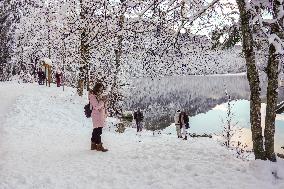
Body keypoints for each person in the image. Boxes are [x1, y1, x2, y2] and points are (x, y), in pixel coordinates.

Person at [89, 82, 108, 152]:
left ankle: (93, 144)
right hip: (96, 116)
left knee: (96, 130)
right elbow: (96, 106)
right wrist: (103, 101)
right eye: (100, 88)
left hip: (100, 116)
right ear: (97, 88)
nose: (101, 90)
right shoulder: (92, 96)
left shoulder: (98, 95)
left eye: (102, 89)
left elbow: (101, 106)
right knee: (98, 131)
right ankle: (99, 145)